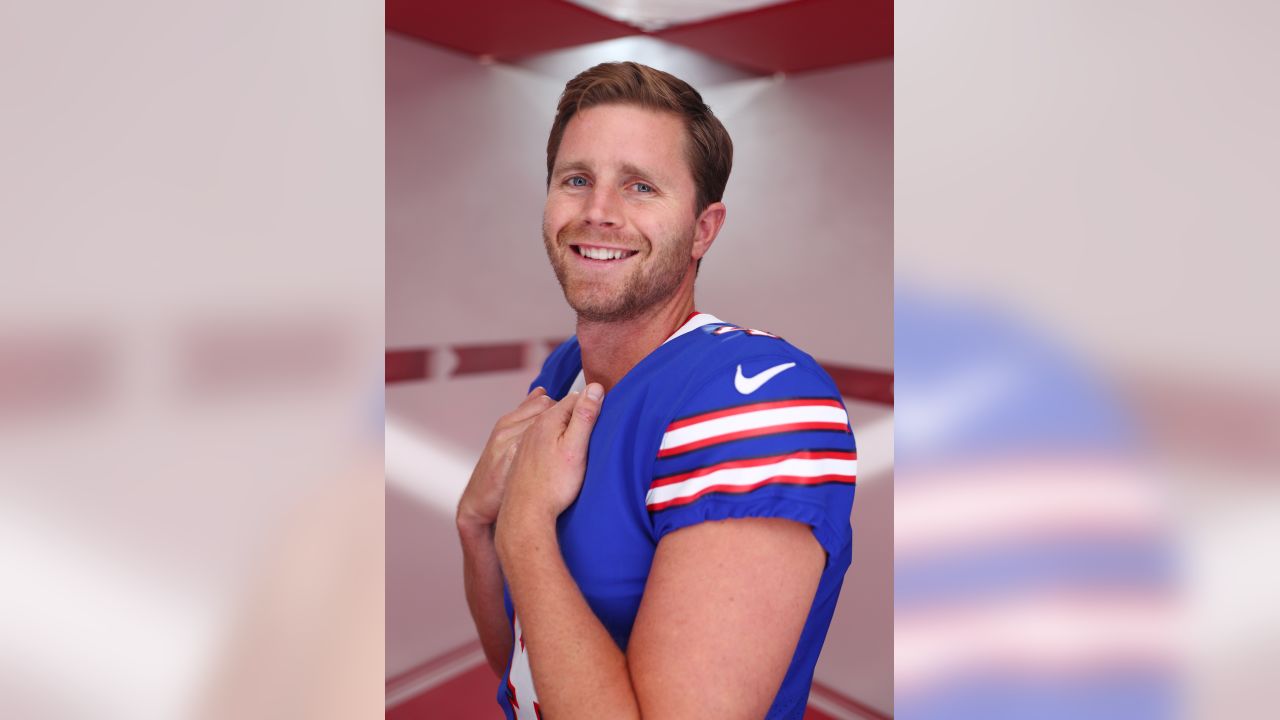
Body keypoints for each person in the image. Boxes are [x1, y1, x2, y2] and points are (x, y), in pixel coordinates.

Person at [456, 61, 858, 719]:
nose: (597, 212)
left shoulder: (759, 400)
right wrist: (476, 527)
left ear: (704, 229)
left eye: (640, 187)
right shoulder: (565, 374)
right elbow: (526, 670)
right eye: (576, 179)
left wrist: (522, 528)